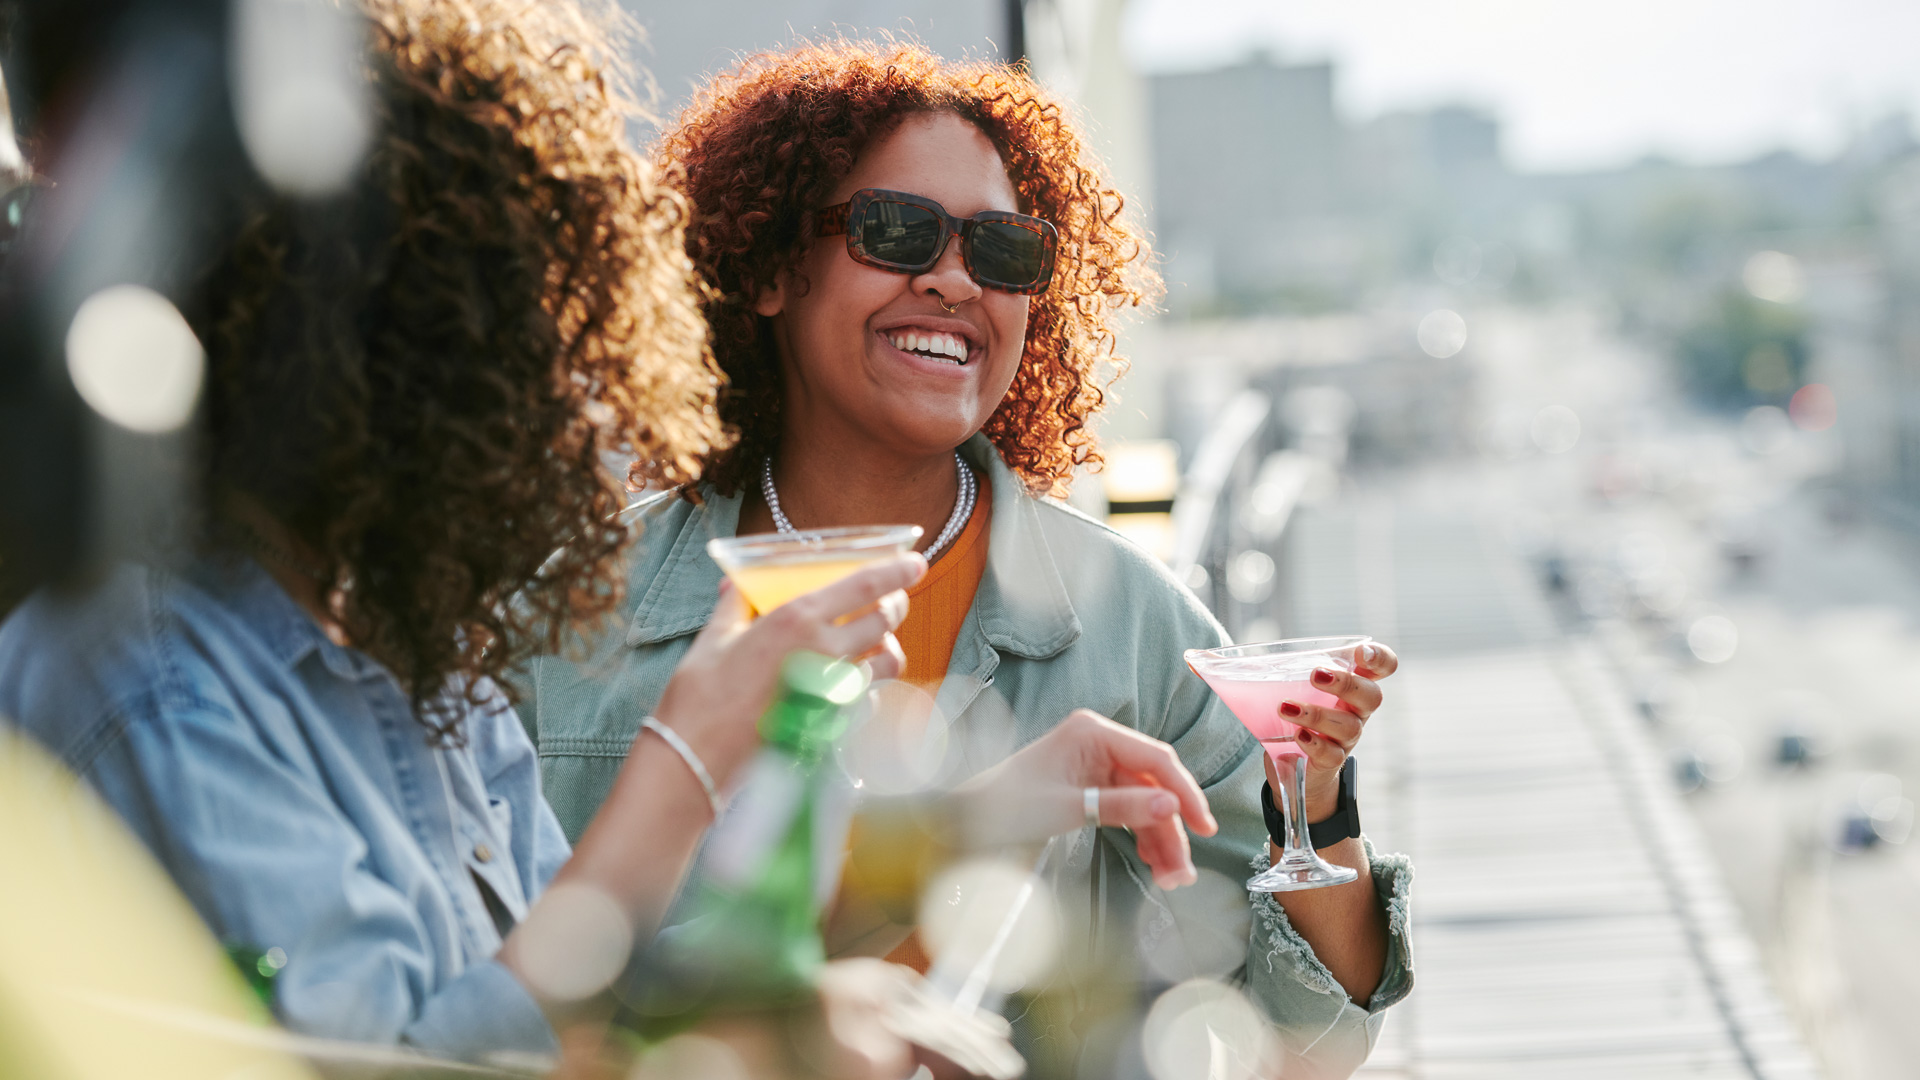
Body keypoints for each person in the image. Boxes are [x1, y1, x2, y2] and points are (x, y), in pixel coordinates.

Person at [0, 0, 929, 1068]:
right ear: (384, 348)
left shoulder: (419, 652)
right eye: (538, 338)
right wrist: (683, 759)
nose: (584, 402)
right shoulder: (153, 679)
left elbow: (567, 991)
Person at [522, 40, 1413, 1078]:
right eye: (894, 231)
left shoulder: (1130, 620)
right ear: (766, 268)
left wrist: (1314, 803)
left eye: (1001, 252)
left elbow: (1310, 1037)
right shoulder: (569, 614)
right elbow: (503, 1010)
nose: (952, 278)